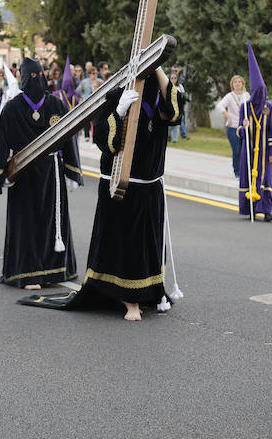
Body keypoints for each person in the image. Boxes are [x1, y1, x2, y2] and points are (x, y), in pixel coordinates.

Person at [19, 67, 183, 321]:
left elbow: (174, 114)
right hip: (120, 186)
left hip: (150, 188)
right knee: (125, 244)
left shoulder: (158, 98)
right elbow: (104, 141)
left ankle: (150, 291)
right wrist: (118, 111)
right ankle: (130, 300)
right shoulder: (116, 95)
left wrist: (159, 65)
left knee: (148, 244)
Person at [0, 57, 83, 289]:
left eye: (38, 76)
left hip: (52, 174)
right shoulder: (12, 109)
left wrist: (72, 170)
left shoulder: (56, 106)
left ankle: (55, 270)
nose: (36, 80)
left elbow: (68, 137)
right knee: (28, 223)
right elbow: (3, 143)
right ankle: (28, 274)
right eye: (32, 76)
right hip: (24, 176)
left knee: (51, 223)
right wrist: (2, 174)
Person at [238, 44, 272, 222]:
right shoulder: (245, 108)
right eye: (258, 92)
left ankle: (266, 209)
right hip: (248, 151)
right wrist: (244, 126)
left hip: (264, 153)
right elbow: (239, 131)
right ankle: (251, 209)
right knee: (248, 177)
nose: (261, 95)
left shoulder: (269, 108)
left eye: (263, 92)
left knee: (266, 179)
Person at [217, 75, 250, 178]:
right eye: (235, 82)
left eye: (239, 82)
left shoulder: (246, 95)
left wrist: (248, 119)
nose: (237, 84)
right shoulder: (229, 96)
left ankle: (245, 170)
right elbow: (220, 106)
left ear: (243, 83)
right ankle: (237, 172)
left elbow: (251, 108)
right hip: (232, 128)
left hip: (244, 127)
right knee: (237, 150)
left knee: (245, 150)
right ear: (232, 84)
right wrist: (228, 117)